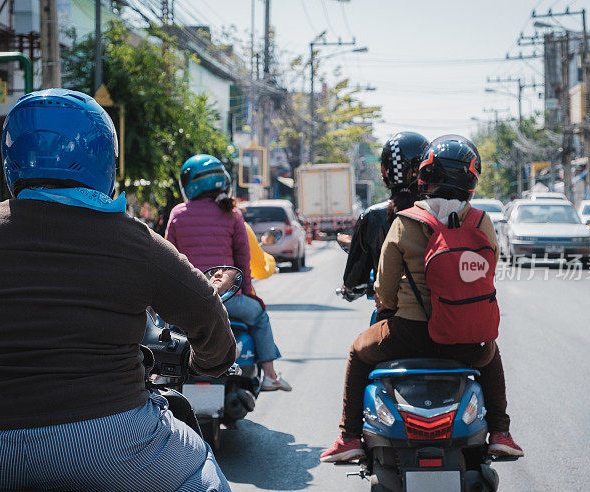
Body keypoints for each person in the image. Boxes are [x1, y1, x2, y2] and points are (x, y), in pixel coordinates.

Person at [0, 89, 239, 492]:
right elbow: (206, 310)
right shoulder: (132, 240)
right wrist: (211, 361)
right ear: (103, 159)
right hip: (105, 444)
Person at [321, 134, 523, 463]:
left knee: (359, 352)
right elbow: (486, 274)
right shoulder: (481, 222)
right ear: (472, 179)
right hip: (465, 339)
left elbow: (384, 288)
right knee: (491, 353)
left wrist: (391, 309)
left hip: (409, 333)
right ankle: (500, 432)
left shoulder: (406, 222)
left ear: (424, 178)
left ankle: (349, 437)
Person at [165, 154, 291, 392]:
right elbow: (243, 261)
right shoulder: (232, 214)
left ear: (188, 184)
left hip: (189, 302)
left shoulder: (178, 214)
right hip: (228, 299)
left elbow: (169, 258)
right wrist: (245, 294)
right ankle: (270, 375)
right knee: (260, 316)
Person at [341, 132, 430, 318]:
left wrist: (349, 291)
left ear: (384, 171)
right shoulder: (442, 212)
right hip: (441, 318)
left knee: (358, 348)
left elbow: (353, 283)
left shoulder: (373, 217)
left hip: (394, 321)